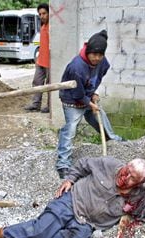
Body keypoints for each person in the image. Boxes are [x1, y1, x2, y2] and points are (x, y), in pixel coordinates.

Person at [0, 156, 145, 238]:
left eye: (132, 178)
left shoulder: (138, 196)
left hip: (87, 223)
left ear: (139, 183)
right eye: (126, 170)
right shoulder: (108, 164)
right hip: (71, 201)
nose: (125, 176)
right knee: (42, 226)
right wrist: (70, 180)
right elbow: (82, 164)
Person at [56, 29, 124, 179]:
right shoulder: (77, 67)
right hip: (72, 100)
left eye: (100, 55)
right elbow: (77, 94)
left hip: (85, 96)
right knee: (70, 129)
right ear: (87, 51)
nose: (97, 58)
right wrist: (90, 103)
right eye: (94, 54)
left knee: (101, 118)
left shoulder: (103, 63)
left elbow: (97, 77)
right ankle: (63, 163)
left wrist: (93, 92)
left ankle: (114, 142)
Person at [24, 3, 50, 113]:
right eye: (40, 14)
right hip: (41, 61)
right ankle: (36, 104)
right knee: (37, 82)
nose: (42, 16)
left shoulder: (52, 27)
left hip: (50, 62)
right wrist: (38, 58)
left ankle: (50, 106)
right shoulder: (43, 26)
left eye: (44, 13)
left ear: (49, 13)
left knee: (50, 85)